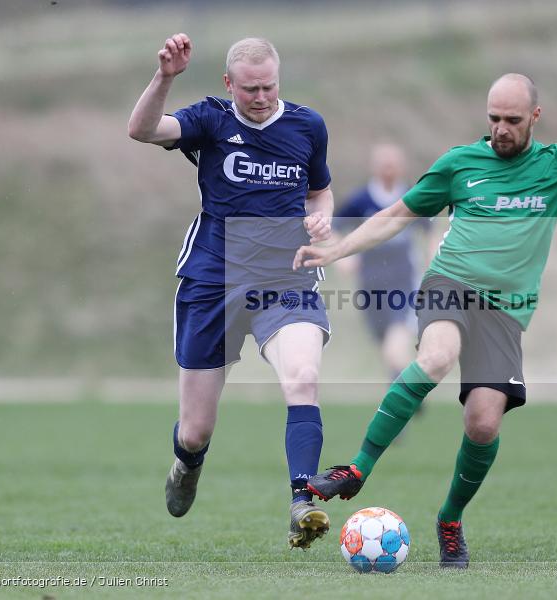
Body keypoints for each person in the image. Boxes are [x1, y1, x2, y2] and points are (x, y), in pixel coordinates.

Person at [294, 74, 557, 567]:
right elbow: (396, 215)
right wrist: (339, 247)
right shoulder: (460, 164)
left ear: (534, 118)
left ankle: (450, 520)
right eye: (493, 118)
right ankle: (356, 470)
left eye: (512, 120)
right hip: (449, 285)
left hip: (503, 313)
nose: (500, 129)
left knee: (481, 425)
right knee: (435, 356)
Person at [128, 33, 336, 549]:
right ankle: (187, 464)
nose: (261, 97)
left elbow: (320, 188)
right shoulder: (211, 119)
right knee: (195, 430)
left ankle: (301, 501)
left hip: (285, 278)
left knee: (303, 378)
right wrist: (166, 76)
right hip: (213, 279)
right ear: (229, 84)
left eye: (268, 87)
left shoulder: (308, 125)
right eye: (249, 89)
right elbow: (142, 129)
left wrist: (322, 217)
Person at [335, 143, 430, 383]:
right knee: (387, 348)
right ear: (374, 168)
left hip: (404, 281)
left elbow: (430, 230)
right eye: (384, 165)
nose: (389, 170)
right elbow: (333, 228)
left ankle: (403, 398)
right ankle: (407, 386)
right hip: (370, 284)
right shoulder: (360, 200)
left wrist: (433, 258)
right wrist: (343, 256)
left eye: (393, 165)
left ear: (402, 167)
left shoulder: (411, 197)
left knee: (395, 345)